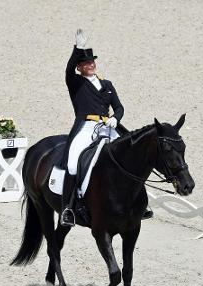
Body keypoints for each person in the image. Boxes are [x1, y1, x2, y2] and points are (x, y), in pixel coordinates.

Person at [60, 29, 123, 226]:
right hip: (86, 126)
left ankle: (140, 203)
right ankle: (69, 208)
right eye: (86, 63)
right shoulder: (76, 82)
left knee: (131, 154)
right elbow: (67, 69)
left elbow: (119, 107)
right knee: (72, 162)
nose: (91, 64)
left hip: (107, 126)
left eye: (92, 61)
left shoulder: (107, 84)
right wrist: (77, 49)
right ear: (80, 67)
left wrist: (116, 118)